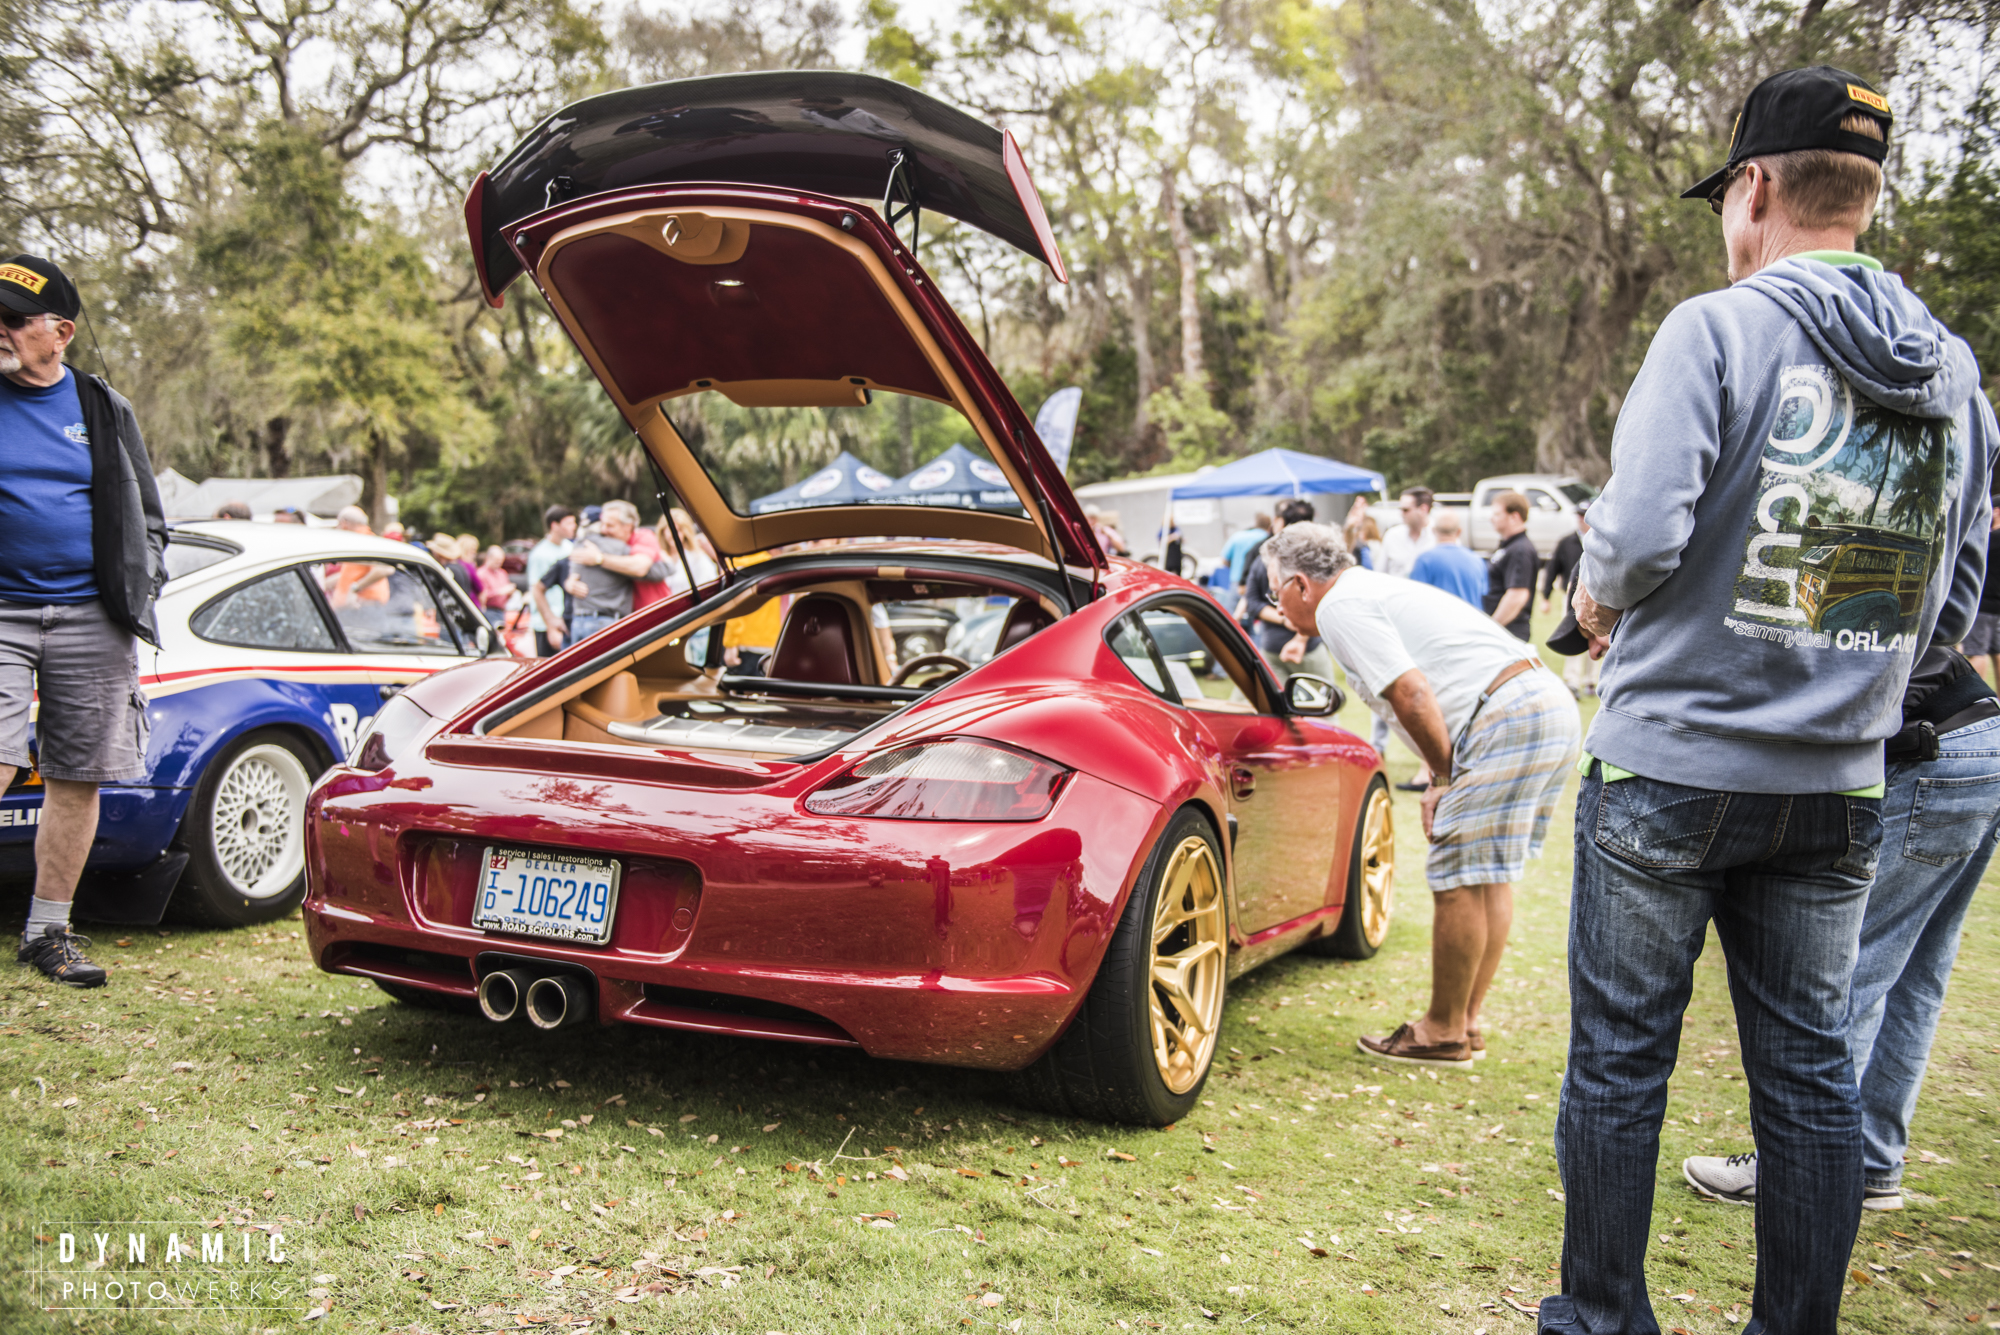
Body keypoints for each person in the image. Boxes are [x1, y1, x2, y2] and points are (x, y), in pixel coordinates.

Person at [1544, 66, 1996, 1335]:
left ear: (1751, 189)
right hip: (1836, 785)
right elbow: (1952, 602)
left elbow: (1632, 544)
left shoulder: (1718, 328)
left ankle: (1599, 1317)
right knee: (1805, 1078)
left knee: (1622, 1065)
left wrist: (1593, 601)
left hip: (1668, 766)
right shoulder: (1951, 371)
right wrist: (1847, 684)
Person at [1680, 645, 2000, 1215]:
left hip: (1931, 751)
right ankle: (1873, 1161)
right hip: (1980, 738)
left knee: (1853, 967)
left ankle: (1791, 1168)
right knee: (1919, 971)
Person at [1262, 522, 1579, 1069]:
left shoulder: (1339, 605)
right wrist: (1440, 777)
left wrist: (1444, 777)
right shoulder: (1372, 588)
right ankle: (1465, 1020)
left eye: (1274, 592)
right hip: (1543, 703)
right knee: (1488, 873)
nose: (1277, 604)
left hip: (1506, 714)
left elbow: (1410, 692)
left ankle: (1442, 1030)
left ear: (1299, 585)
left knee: (1457, 875)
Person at [0, 254, 167, 988]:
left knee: (77, 775)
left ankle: (47, 932)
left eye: (11, 319)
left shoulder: (102, 406)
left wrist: (141, 581)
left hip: (93, 616)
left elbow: (151, 517)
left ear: (59, 331)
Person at [1238, 499, 1334, 684]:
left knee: (1312, 706)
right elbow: (1252, 600)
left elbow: (1251, 599)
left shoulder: (1264, 559)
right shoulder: (1264, 558)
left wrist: (1298, 636)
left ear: (1279, 522)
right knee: (1320, 706)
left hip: (1289, 646)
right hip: (1281, 646)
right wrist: (1287, 622)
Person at [559, 499, 669, 643]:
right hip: (632, 619)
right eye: (602, 524)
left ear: (627, 526)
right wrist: (570, 583)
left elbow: (640, 568)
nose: (604, 530)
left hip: (655, 616)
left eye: (610, 525)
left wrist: (599, 559)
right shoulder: (610, 544)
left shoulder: (643, 537)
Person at [1540, 506, 1598, 697]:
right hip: (1572, 593)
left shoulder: (1601, 540)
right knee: (1574, 632)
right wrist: (1545, 596)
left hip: (1598, 594)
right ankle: (1572, 680)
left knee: (1596, 634)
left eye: (1586, 515)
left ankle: (1591, 681)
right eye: (1580, 516)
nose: (1582, 520)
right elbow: (1552, 568)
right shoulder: (1567, 542)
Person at [1483, 490, 1536, 641]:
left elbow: (1517, 595)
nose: (1491, 519)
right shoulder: (1507, 546)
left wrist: (1492, 628)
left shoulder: (1520, 550)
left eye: (1497, 514)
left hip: (1509, 633)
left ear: (1514, 517)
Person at [1410, 510, 1488, 607]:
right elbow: (1483, 593)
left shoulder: (1424, 560)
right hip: (1471, 620)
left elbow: (1415, 597)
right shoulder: (1477, 560)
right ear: (1459, 531)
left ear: (1433, 530)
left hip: (1439, 621)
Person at [526, 505, 576, 656]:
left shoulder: (570, 547)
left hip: (567, 620)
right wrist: (550, 625)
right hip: (547, 623)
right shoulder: (539, 554)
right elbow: (536, 590)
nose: (574, 527)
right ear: (554, 525)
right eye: (569, 523)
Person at [1960, 498, 2000, 683]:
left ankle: (1980, 703)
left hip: (1983, 606)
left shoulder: (1989, 539)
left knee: (1977, 653)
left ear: (1997, 512)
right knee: (1997, 653)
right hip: (1997, 608)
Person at [1380, 487, 1437, 578]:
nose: (1401, 514)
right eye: (1401, 509)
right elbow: (1380, 573)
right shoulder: (1392, 535)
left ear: (1423, 509)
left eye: (1406, 510)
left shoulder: (1440, 536)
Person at [1220, 515, 1271, 602]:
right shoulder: (1266, 538)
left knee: (1231, 614)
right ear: (1269, 526)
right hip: (1256, 585)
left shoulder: (1237, 536)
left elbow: (1224, 559)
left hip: (1236, 583)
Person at [473, 545, 512, 627]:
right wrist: (499, 592)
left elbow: (507, 592)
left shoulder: (502, 573)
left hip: (502, 611)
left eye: (501, 561)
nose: (499, 563)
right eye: (497, 560)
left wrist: (511, 592)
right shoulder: (481, 574)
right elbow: (480, 595)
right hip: (488, 611)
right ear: (488, 558)